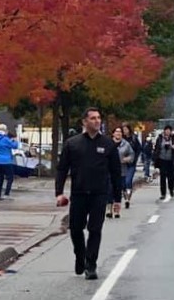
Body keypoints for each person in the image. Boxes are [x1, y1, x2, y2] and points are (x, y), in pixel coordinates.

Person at [55, 107, 122, 281]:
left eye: (99, 118)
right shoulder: (73, 143)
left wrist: (117, 198)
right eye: (93, 118)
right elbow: (62, 169)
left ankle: (91, 265)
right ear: (84, 122)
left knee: (95, 229)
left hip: (99, 194)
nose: (97, 121)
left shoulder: (108, 144)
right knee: (76, 229)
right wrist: (59, 192)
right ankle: (80, 255)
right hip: (79, 193)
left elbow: (116, 173)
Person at [108, 127, 134, 219]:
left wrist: (127, 159)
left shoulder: (126, 144)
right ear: (113, 133)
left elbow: (132, 155)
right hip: (109, 170)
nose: (118, 133)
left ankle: (117, 211)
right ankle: (109, 210)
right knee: (109, 190)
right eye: (116, 131)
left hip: (121, 170)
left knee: (118, 191)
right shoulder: (108, 143)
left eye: (120, 132)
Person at [0, 124, 20, 201]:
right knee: (10, 178)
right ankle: (6, 194)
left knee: (0, 178)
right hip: (7, 161)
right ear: (4, 131)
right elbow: (15, 146)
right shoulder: (5, 139)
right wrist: (15, 140)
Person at [153, 125, 174, 201]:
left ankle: (171, 189)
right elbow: (156, 148)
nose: (167, 132)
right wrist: (155, 158)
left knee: (171, 177)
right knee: (163, 177)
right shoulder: (160, 138)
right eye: (166, 130)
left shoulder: (173, 138)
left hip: (171, 160)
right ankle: (163, 193)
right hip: (162, 160)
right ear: (164, 131)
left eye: (169, 130)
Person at [120, 123, 141, 207]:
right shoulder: (121, 139)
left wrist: (134, 159)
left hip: (131, 164)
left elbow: (138, 149)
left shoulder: (134, 138)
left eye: (126, 129)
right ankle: (125, 197)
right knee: (123, 183)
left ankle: (128, 198)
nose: (125, 131)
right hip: (122, 164)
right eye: (123, 129)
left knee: (128, 181)